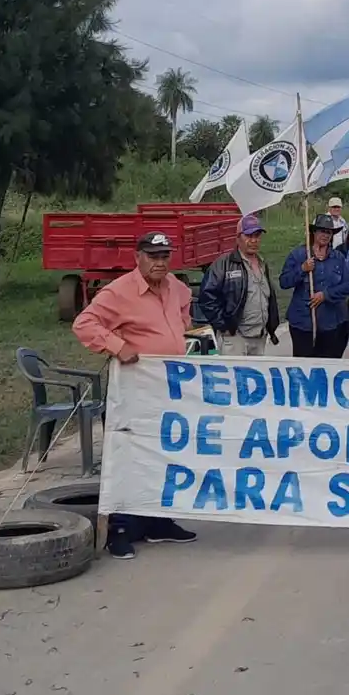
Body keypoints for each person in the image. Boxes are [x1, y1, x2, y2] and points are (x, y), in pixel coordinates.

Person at [71, 231, 198, 558]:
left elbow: (185, 314)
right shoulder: (119, 292)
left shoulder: (176, 288)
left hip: (168, 389)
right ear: (137, 257)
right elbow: (84, 324)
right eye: (153, 256)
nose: (160, 262)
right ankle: (121, 528)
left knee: (163, 454)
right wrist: (118, 345)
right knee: (130, 455)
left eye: (165, 256)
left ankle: (157, 521)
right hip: (134, 390)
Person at [194, 214, 280, 356]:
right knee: (236, 378)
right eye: (249, 236)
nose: (254, 240)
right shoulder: (223, 264)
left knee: (255, 377)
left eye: (257, 236)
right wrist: (223, 325)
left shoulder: (262, 263)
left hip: (259, 337)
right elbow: (206, 297)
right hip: (235, 338)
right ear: (238, 237)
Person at [278, 215, 349, 357]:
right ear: (314, 232)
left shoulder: (338, 257)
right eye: (321, 231)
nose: (325, 235)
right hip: (302, 322)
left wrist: (326, 295)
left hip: (330, 322)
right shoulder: (299, 254)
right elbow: (284, 282)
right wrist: (302, 269)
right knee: (303, 366)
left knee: (327, 365)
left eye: (329, 232)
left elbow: (348, 286)